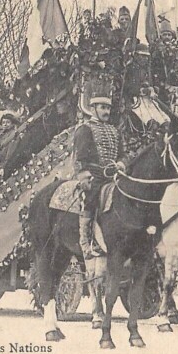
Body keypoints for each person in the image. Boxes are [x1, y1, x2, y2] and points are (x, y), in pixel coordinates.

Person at [72, 89, 127, 259]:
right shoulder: (84, 129)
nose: (106, 112)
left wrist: (120, 163)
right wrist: (84, 176)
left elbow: (122, 154)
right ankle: (86, 242)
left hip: (113, 174)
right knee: (91, 198)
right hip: (95, 174)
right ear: (93, 109)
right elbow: (80, 156)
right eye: (102, 108)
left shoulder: (114, 130)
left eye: (108, 109)